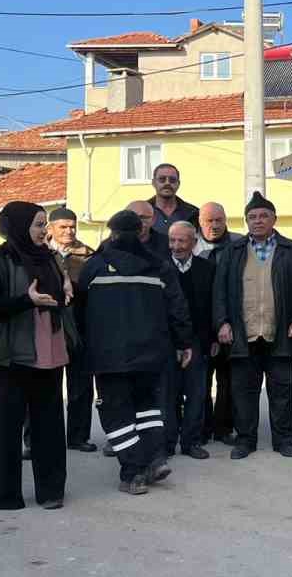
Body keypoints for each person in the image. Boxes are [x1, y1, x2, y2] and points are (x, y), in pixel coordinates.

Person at [79, 211, 194, 494]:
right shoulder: (159, 266)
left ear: (113, 233)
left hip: (108, 358)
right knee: (149, 409)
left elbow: (79, 313)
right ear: (141, 233)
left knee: (116, 415)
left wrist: (83, 348)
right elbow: (178, 309)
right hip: (151, 354)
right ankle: (155, 460)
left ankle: (133, 472)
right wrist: (183, 343)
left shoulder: (94, 266)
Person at [0, 200, 75, 511]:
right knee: (8, 425)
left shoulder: (49, 258)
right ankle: (6, 496)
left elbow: (58, 295)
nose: (43, 230)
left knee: (49, 424)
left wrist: (67, 291)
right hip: (8, 354)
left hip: (48, 350)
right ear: (18, 225)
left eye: (44, 224)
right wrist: (26, 300)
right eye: (37, 224)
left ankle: (51, 492)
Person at [212, 192, 292, 459]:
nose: (258, 221)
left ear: (274, 218)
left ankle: (284, 440)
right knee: (243, 391)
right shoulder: (233, 251)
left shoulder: (291, 250)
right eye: (252, 217)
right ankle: (245, 440)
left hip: (281, 332)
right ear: (246, 221)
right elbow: (219, 293)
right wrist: (222, 323)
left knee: (283, 391)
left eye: (264, 216)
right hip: (243, 333)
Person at [47, 207, 98, 453]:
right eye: (62, 227)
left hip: (81, 328)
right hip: (49, 329)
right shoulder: (40, 254)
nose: (69, 231)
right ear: (50, 228)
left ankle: (78, 437)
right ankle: (36, 439)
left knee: (81, 387)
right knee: (45, 388)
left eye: (72, 226)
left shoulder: (89, 256)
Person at [165, 220, 216, 460]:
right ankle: (167, 442)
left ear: (194, 243)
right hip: (166, 341)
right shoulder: (160, 268)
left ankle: (191, 441)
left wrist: (214, 337)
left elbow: (213, 306)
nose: (176, 246)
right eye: (172, 240)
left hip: (197, 340)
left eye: (181, 240)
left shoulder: (207, 269)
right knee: (168, 393)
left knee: (197, 393)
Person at [196, 202, 246, 444]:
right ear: (199, 222)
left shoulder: (239, 244)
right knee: (201, 383)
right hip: (199, 328)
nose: (214, 226)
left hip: (231, 326)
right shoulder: (189, 244)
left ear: (226, 220)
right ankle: (203, 427)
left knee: (229, 382)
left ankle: (224, 428)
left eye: (218, 220)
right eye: (208, 221)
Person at [148, 163, 200, 236]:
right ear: (153, 183)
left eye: (172, 180)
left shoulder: (193, 213)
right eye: (162, 179)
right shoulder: (140, 212)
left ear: (178, 184)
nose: (167, 183)